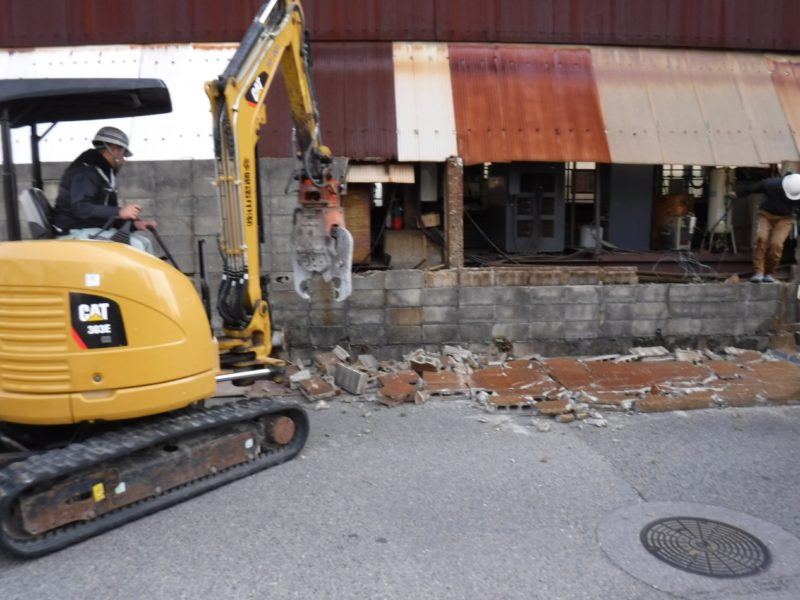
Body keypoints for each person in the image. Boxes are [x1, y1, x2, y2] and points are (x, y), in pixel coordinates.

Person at [53, 126, 157, 254]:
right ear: (114, 150)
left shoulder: (100, 173)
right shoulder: (85, 172)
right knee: (135, 248)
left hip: (90, 229)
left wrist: (134, 225)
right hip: (75, 231)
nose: (123, 160)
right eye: (123, 154)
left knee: (144, 242)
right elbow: (81, 207)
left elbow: (105, 216)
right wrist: (120, 212)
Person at [735, 172, 800, 283]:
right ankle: (758, 271)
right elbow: (753, 188)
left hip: (786, 218)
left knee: (776, 244)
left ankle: (770, 272)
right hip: (766, 215)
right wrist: (738, 193)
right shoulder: (772, 184)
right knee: (761, 238)